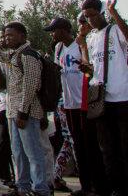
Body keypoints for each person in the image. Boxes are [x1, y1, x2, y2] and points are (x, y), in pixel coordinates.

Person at [0, 21, 51, 196]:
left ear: (22, 36)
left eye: (11, 35)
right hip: (12, 111)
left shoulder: (29, 55)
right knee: (18, 153)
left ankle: (40, 188)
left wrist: (23, 112)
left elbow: (31, 85)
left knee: (33, 152)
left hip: (26, 112)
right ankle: (23, 186)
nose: (7, 38)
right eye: (5, 35)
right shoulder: (13, 55)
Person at [48, 16, 105, 196]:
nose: (52, 35)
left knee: (90, 145)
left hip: (84, 102)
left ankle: (98, 185)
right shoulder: (58, 49)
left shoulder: (80, 45)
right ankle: (86, 185)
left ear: (64, 30)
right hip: (69, 103)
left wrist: (83, 49)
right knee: (78, 146)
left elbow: (90, 69)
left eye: (54, 31)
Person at [78, 0, 128, 192]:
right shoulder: (91, 38)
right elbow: (90, 68)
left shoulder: (115, 31)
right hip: (101, 100)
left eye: (93, 15)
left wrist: (114, 12)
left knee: (124, 148)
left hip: (122, 96)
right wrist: (82, 47)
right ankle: (116, 187)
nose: (90, 20)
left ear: (101, 13)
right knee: (108, 148)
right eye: (86, 17)